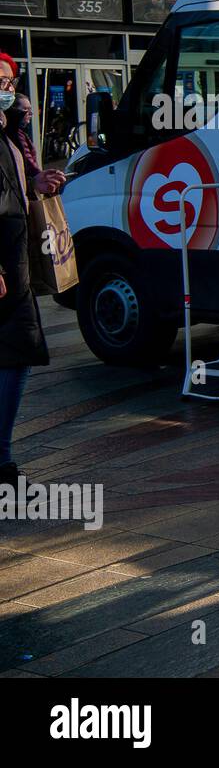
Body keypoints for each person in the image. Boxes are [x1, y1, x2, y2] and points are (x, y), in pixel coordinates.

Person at [0, 52, 62, 489]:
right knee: (14, 354)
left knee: (16, 355)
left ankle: (1, 456)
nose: (4, 88)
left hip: (13, 259)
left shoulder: (11, 133)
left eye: (7, 81)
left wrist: (36, 184)